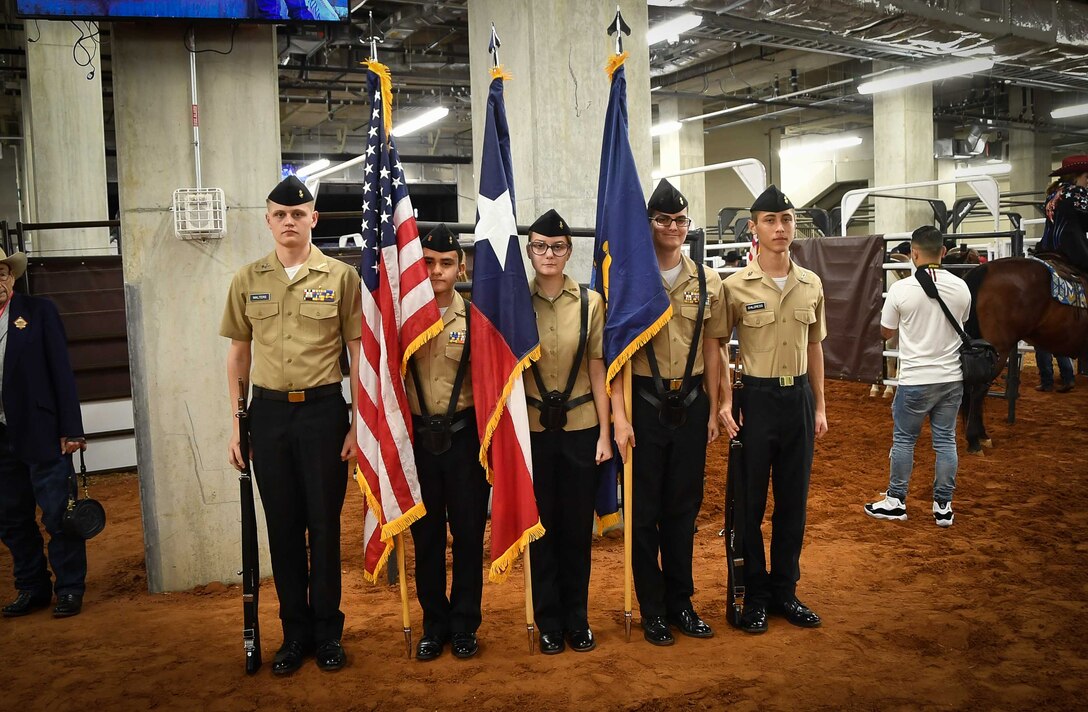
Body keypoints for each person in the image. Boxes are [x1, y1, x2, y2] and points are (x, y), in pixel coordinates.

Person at [221, 175, 362, 675]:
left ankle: (327, 634)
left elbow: (357, 351)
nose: (288, 222)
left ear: (313, 219)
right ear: (267, 219)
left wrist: (357, 423)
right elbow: (239, 354)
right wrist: (239, 425)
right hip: (269, 415)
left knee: (323, 529)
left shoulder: (342, 277)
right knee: (282, 530)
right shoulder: (247, 278)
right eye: (279, 214)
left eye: (297, 214)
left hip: (325, 414)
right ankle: (293, 635)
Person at [613, 178, 727, 647]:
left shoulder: (707, 280)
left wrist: (720, 405)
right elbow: (617, 353)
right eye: (663, 220)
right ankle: (653, 609)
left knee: (684, 510)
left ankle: (682, 602)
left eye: (680, 220)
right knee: (643, 515)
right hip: (643, 404)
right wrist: (620, 416)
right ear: (649, 225)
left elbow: (714, 347)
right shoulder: (629, 280)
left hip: (693, 402)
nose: (673, 227)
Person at [719, 184, 828, 635]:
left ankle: (786, 590)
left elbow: (816, 347)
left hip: (798, 399)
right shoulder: (734, 286)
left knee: (793, 505)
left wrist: (820, 404)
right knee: (748, 506)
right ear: (754, 228)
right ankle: (756, 594)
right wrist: (726, 400)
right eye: (770, 220)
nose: (780, 228)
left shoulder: (811, 284)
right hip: (755, 402)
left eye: (786, 219)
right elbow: (717, 348)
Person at [522, 209, 611, 655]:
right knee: (542, 530)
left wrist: (605, 433)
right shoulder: (516, 300)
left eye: (557, 247)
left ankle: (578, 618)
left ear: (570, 251)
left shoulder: (591, 303)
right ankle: (548, 621)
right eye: (540, 246)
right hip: (534, 431)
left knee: (576, 530)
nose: (549, 254)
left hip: (581, 428)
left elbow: (598, 369)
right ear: (529, 250)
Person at [405, 224, 490, 662]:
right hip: (419, 442)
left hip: (465, 440)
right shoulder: (401, 321)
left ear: (461, 268)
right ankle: (433, 625)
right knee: (427, 538)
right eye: (428, 262)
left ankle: (464, 625)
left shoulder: (476, 320)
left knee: (469, 534)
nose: (437, 270)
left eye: (445, 263)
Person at [0, 249, 88, 619]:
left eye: (2, 272)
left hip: (43, 432)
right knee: (10, 518)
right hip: (0, 439)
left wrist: (71, 429)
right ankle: (32, 587)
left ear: (12, 277)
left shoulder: (38, 312)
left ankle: (69, 589)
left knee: (57, 515)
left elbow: (61, 373)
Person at [864, 226, 971, 528]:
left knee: (904, 440)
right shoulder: (961, 288)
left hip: (915, 379)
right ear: (943, 252)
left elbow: (886, 332)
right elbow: (961, 322)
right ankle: (943, 507)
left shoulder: (901, 290)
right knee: (946, 440)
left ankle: (896, 500)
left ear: (913, 253)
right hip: (951, 378)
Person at [1039, 154, 1088, 273]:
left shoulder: (1052, 194)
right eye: (1087, 177)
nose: (1087, 181)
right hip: (1072, 248)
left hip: (1047, 248)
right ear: (1075, 176)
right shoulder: (1077, 192)